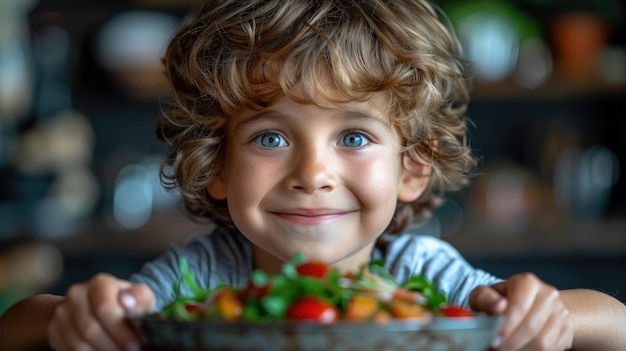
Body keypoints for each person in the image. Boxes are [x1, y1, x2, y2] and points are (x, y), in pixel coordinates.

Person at [2, 0, 625, 350]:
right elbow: (17, 325)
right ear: (218, 166)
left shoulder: (425, 276)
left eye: (354, 136)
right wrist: (73, 318)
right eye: (271, 137)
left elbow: (616, 324)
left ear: (412, 167)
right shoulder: (200, 280)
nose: (313, 173)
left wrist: (554, 317)